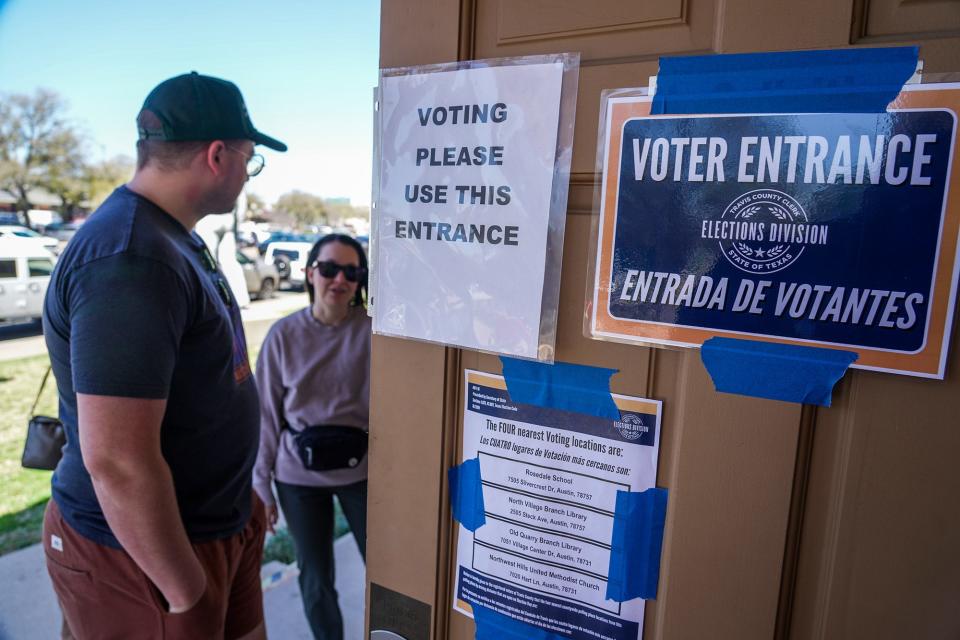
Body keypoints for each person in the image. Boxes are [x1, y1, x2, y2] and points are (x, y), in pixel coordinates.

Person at [42, 71, 286, 639]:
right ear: (218, 155)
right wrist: (185, 590)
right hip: (143, 557)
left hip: (212, 526)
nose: (250, 176)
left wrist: (237, 497)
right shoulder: (130, 258)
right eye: (251, 160)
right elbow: (118, 462)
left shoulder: (171, 235)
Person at [254, 234, 371, 640]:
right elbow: (266, 416)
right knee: (316, 578)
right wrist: (262, 486)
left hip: (362, 471)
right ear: (309, 273)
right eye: (329, 269)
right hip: (298, 476)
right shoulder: (283, 336)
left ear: (360, 281)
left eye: (351, 272)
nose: (339, 279)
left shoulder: (378, 334)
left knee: (388, 568)